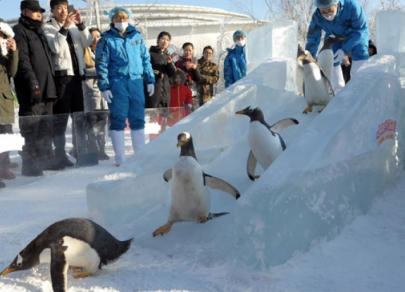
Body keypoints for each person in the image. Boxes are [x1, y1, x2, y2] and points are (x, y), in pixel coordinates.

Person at [95, 6, 155, 166]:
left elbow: (146, 59)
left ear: (129, 18)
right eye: (117, 18)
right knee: (119, 118)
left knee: (137, 118)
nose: (121, 21)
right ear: (112, 20)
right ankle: (120, 158)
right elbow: (101, 63)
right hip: (117, 82)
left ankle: (140, 155)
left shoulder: (137, 37)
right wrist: (104, 86)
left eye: (123, 17)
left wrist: (150, 79)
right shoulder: (106, 39)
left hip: (136, 81)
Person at [43, 0, 93, 167]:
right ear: (52, 10)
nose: (63, 11)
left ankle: (80, 150)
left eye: (65, 8)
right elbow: (55, 48)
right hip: (62, 77)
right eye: (59, 8)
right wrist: (64, 27)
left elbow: (87, 42)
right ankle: (59, 153)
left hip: (77, 76)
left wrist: (80, 24)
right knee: (61, 119)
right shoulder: (48, 27)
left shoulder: (73, 26)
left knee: (79, 117)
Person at [13, 0, 58, 176]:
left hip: (47, 87)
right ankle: (30, 165)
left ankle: (45, 160)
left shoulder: (39, 31)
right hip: (32, 89)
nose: (39, 14)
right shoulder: (20, 30)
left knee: (46, 126)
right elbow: (23, 60)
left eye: (40, 11)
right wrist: (33, 83)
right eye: (34, 11)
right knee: (31, 128)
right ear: (24, 12)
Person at [305, 0, 369, 93]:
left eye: (330, 10)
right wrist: (309, 61)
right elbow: (312, 40)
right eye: (323, 12)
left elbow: (360, 29)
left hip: (356, 35)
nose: (327, 15)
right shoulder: (317, 16)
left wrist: (344, 49)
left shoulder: (352, 6)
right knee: (331, 57)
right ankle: (337, 90)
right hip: (335, 36)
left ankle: (360, 89)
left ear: (336, 4)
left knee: (360, 54)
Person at [82, 27, 109, 161]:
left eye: (98, 36)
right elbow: (83, 70)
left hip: (104, 93)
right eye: (92, 36)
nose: (95, 39)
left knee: (102, 123)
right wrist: (101, 71)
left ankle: (102, 149)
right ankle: (93, 149)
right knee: (92, 124)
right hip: (90, 92)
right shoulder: (84, 52)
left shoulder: (105, 52)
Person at [0, 19, 18, 186]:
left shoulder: (4, 54)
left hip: (4, 101)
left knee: (6, 135)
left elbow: (12, 71)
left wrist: (13, 51)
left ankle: (4, 166)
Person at [146, 31, 176, 109]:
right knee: (152, 114)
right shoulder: (150, 53)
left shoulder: (168, 55)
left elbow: (173, 73)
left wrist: (170, 63)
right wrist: (157, 73)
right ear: (158, 40)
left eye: (167, 39)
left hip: (165, 90)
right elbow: (145, 68)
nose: (165, 41)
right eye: (163, 38)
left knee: (163, 117)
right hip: (154, 87)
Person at [175, 42, 201, 109]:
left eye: (190, 50)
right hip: (181, 89)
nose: (188, 52)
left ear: (193, 51)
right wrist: (184, 68)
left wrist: (195, 69)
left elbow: (198, 78)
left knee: (193, 111)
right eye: (186, 50)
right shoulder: (178, 63)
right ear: (182, 51)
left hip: (193, 90)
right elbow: (176, 77)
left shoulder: (195, 62)